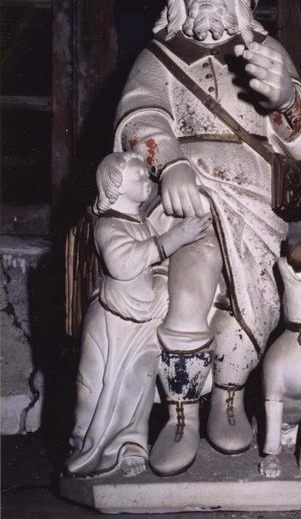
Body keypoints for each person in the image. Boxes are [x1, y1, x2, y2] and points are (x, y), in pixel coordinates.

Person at [114, 0, 301, 476]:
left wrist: (281, 98)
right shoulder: (160, 56)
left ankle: (229, 398)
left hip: (256, 204)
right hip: (191, 200)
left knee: (253, 305)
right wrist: (169, 162)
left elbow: (298, 140)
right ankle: (181, 413)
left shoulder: (265, 51)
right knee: (190, 287)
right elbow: (140, 112)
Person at [66, 152, 211, 477]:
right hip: (112, 321)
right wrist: (176, 238)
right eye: (139, 177)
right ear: (115, 184)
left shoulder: (144, 222)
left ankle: (131, 445)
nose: (148, 181)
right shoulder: (108, 225)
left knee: (140, 382)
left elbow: (157, 265)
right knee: (94, 386)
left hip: (145, 320)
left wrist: (161, 285)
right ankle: (86, 445)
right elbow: (123, 264)